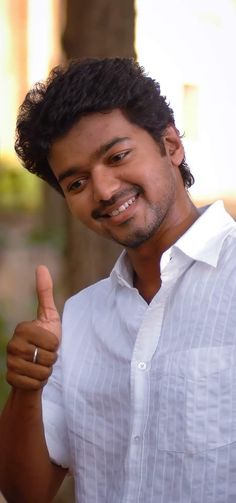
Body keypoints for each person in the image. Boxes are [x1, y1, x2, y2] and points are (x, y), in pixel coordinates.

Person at [0, 58, 236, 503]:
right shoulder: (81, 317)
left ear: (170, 145)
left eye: (117, 156)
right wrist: (26, 388)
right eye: (76, 183)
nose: (104, 190)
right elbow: (24, 492)